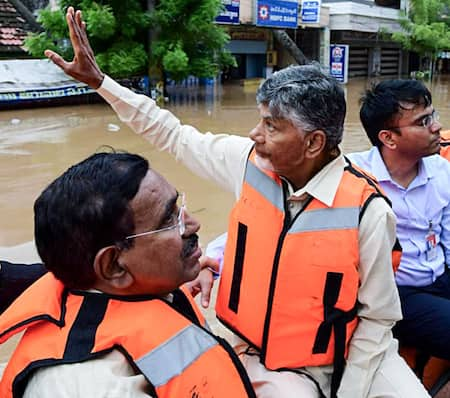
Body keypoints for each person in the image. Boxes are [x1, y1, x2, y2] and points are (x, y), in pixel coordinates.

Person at [44, 8, 429, 397]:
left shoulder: (369, 211)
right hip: (259, 351)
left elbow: (377, 319)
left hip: (352, 355)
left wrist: (351, 390)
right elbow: (172, 134)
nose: (254, 134)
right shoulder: (247, 162)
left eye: (271, 126)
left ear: (313, 143)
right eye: (260, 120)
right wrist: (102, 83)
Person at [0, 151, 256, 398]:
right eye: (169, 219)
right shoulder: (91, 385)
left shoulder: (143, 287)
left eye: (179, 206)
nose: (193, 224)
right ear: (113, 266)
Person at [347, 80, 450, 363]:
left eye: (433, 115)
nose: (436, 127)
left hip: (439, 276)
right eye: (423, 121)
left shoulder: (442, 172)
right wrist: (218, 258)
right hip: (396, 294)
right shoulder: (353, 177)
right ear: (388, 138)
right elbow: (284, 212)